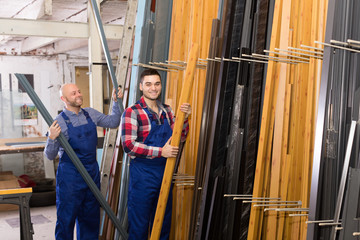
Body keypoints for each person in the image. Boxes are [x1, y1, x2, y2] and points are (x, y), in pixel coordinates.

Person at [44, 83, 123, 240]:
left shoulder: (90, 114)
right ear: (64, 99)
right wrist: (51, 138)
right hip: (70, 179)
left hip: (91, 174)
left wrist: (116, 102)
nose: (78, 94)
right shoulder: (58, 122)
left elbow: (113, 122)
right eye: (73, 93)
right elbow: (49, 155)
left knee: (90, 219)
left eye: (79, 91)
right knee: (66, 220)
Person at [120, 69, 191, 239]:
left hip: (165, 173)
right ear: (141, 86)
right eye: (149, 84)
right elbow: (128, 146)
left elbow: (180, 137)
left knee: (163, 224)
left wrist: (185, 119)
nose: (153, 88)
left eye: (157, 84)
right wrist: (161, 151)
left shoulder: (167, 110)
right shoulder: (133, 112)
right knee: (140, 226)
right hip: (143, 177)